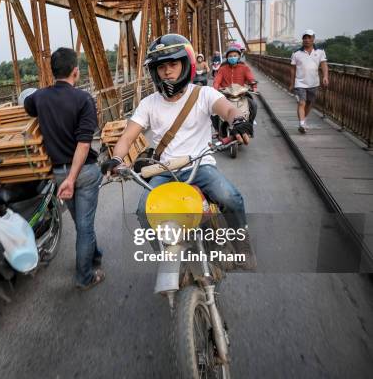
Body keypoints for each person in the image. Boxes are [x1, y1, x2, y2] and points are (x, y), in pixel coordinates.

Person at [100, 34, 257, 270]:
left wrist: (238, 121)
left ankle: (242, 246)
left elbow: (227, 109)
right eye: (161, 67)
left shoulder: (203, 94)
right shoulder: (149, 103)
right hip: (165, 170)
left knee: (229, 197)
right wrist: (115, 159)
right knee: (144, 211)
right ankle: (166, 256)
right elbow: (128, 136)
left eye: (173, 64)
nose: (167, 71)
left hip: (199, 165)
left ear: (186, 63)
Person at [24, 47, 105, 289]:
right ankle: (85, 277)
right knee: (85, 225)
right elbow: (83, 142)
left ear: (53, 72)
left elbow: (26, 104)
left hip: (59, 173)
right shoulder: (83, 100)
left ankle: (94, 254)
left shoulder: (39, 97)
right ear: (75, 72)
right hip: (85, 173)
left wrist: (67, 178)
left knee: (82, 222)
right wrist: (74, 177)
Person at [289, 29, 329, 134]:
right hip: (300, 83)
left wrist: (325, 76)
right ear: (302, 40)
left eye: (309, 38)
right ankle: (302, 123)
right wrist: (292, 83)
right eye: (304, 38)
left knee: (309, 103)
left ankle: (303, 119)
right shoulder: (296, 53)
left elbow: (324, 65)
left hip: (314, 82)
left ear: (313, 39)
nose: (306, 40)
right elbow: (292, 69)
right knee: (301, 102)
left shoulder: (320, 52)